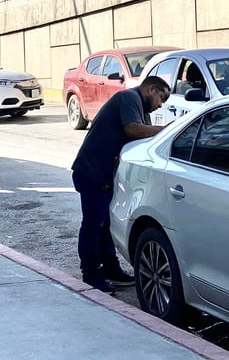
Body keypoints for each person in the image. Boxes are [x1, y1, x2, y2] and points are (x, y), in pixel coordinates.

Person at [71, 75, 171, 294]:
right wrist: (168, 129)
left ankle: (111, 269)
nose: (160, 105)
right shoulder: (129, 98)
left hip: (105, 175)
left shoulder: (141, 108)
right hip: (91, 172)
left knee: (105, 224)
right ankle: (91, 274)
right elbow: (133, 130)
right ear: (151, 88)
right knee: (93, 225)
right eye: (160, 99)